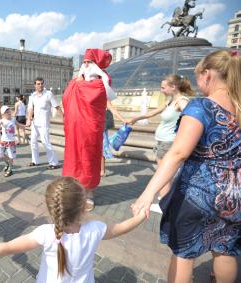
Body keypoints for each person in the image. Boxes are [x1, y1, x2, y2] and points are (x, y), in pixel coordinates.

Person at [131, 49, 241, 283]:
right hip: (234, 192)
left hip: (198, 192)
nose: (198, 83)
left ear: (208, 74)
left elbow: (178, 153)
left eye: (198, 77)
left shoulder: (201, 106)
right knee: (225, 249)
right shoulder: (239, 104)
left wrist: (147, 194)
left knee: (183, 252)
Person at [0, 177, 146, 282]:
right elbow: (121, 228)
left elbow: (6, 247)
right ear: (83, 206)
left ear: (51, 208)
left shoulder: (45, 233)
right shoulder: (95, 229)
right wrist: (140, 216)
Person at [129, 74, 193, 213]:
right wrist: (136, 118)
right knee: (165, 172)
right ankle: (167, 199)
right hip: (161, 141)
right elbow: (152, 113)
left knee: (163, 172)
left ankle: (164, 205)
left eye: (163, 87)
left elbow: (192, 115)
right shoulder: (170, 101)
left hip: (168, 143)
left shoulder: (181, 101)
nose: (161, 90)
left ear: (173, 87)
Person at [62, 49, 113, 211]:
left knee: (89, 159)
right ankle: (76, 190)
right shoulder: (76, 82)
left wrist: (79, 84)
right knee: (74, 158)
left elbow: (95, 97)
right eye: (84, 62)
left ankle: (89, 192)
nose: (85, 65)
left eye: (89, 62)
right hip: (75, 128)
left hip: (91, 129)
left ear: (96, 65)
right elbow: (65, 98)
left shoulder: (102, 82)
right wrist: (76, 82)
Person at [26, 77, 63, 169]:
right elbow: (30, 108)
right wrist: (29, 119)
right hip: (35, 123)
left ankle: (54, 163)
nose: (40, 85)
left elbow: (57, 107)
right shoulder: (32, 96)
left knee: (45, 142)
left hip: (44, 123)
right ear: (35, 85)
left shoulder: (48, 94)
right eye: (38, 84)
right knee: (33, 142)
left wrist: (64, 118)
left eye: (42, 83)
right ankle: (35, 161)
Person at [0, 106, 25, 177]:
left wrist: (25, 126)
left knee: (11, 156)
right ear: (3, 114)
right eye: (6, 112)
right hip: (3, 140)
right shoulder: (2, 120)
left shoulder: (13, 119)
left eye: (9, 111)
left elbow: (19, 125)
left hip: (11, 141)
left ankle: (10, 169)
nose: (8, 112)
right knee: (0, 155)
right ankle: (7, 164)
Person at [101, 100, 129, 177]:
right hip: (92, 125)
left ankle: (102, 170)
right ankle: (100, 170)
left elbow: (112, 109)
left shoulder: (103, 97)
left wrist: (122, 119)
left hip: (100, 126)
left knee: (102, 148)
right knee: (100, 148)